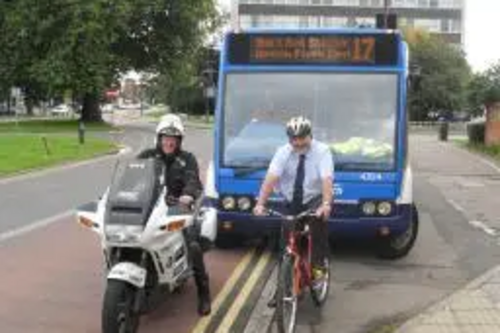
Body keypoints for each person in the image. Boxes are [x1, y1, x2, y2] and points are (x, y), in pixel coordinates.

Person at [253, 116, 334, 307]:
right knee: (286, 245)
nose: (297, 142)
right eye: (293, 138)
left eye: (301, 138)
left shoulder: (322, 151)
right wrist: (260, 203)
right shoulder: (283, 152)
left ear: (309, 135)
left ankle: (318, 267)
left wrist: (326, 204)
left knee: (317, 223)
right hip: (292, 200)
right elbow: (271, 178)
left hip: (315, 198)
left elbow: (326, 180)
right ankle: (284, 288)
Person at [137, 114, 211, 316]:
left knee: (193, 245)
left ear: (179, 140)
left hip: (177, 208)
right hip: (149, 207)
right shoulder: (147, 155)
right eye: (165, 137)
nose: (169, 141)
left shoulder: (187, 159)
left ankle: (204, 293)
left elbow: (193, 181)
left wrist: (187, 194)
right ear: (159, 138)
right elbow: (132, 176)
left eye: (174, 138)